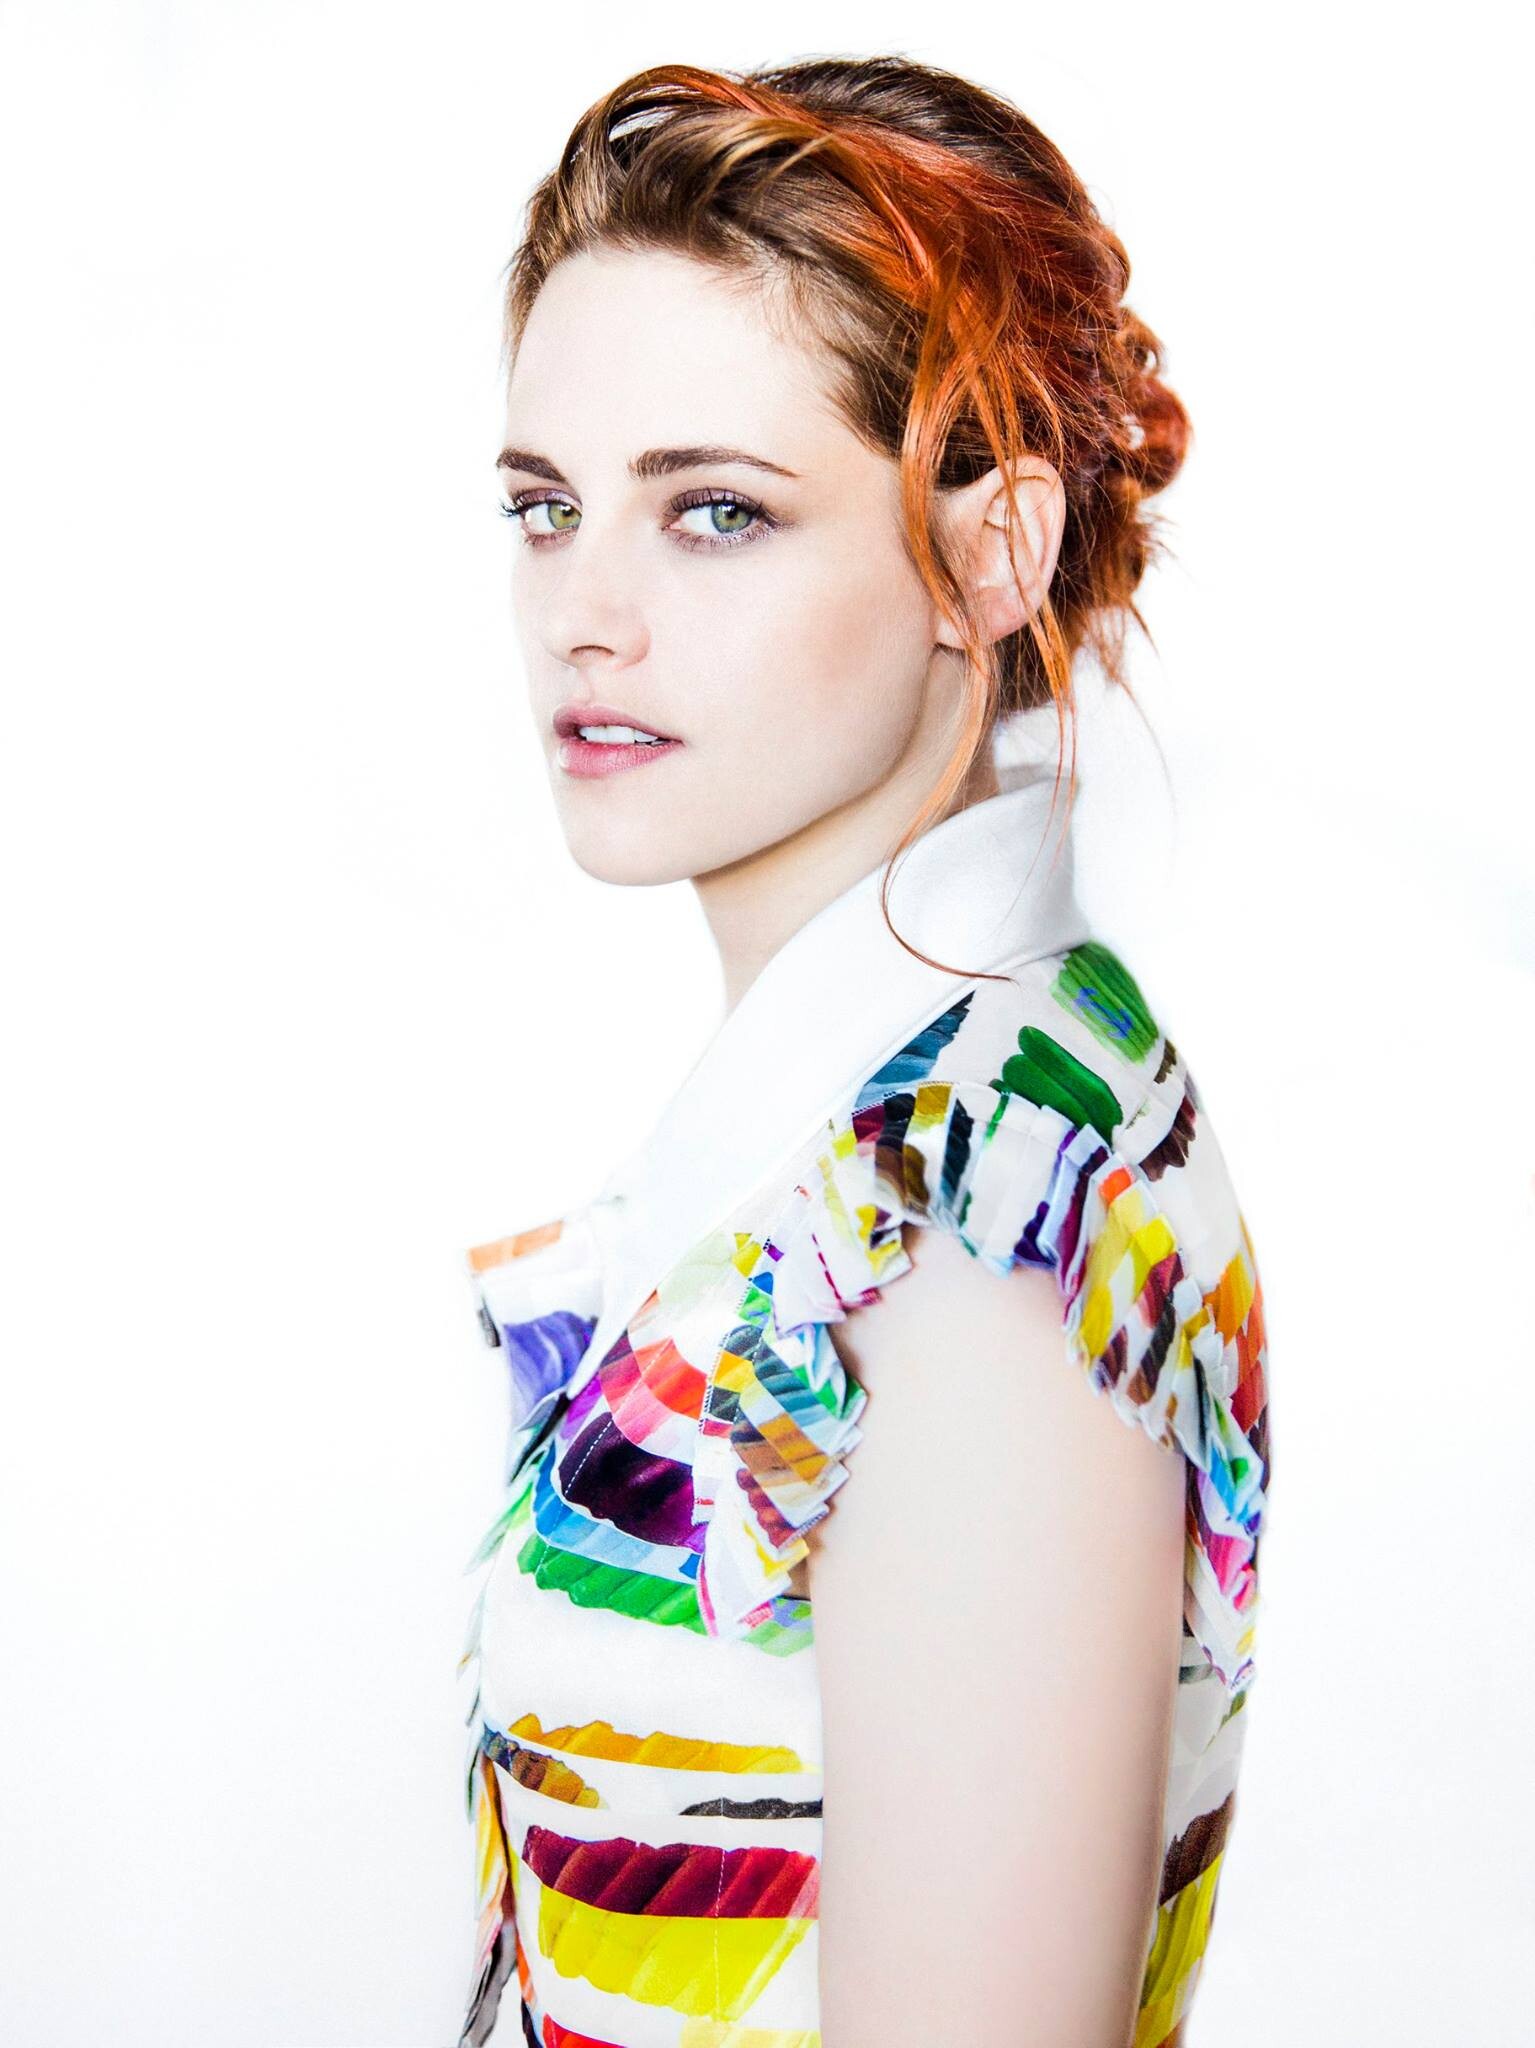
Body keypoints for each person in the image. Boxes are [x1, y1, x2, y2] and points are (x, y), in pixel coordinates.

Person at [455, 54, 1272, 2048]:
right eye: (548, 509)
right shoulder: (888, 1141)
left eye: (714, 513)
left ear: (990, 555)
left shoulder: (981, 1228)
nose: (585, 614)